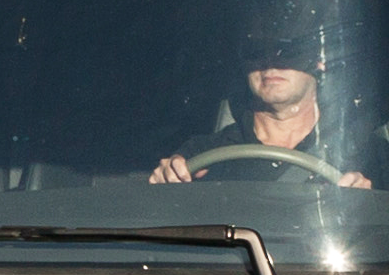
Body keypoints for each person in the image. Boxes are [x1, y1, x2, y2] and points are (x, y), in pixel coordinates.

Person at [153, 56, 375, 190]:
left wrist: (365, 202)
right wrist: (166, 180)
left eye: (288, 51)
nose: (271, 62)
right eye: (257, 51)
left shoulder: (362, 149)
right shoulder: (202, 154)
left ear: (319, 63)